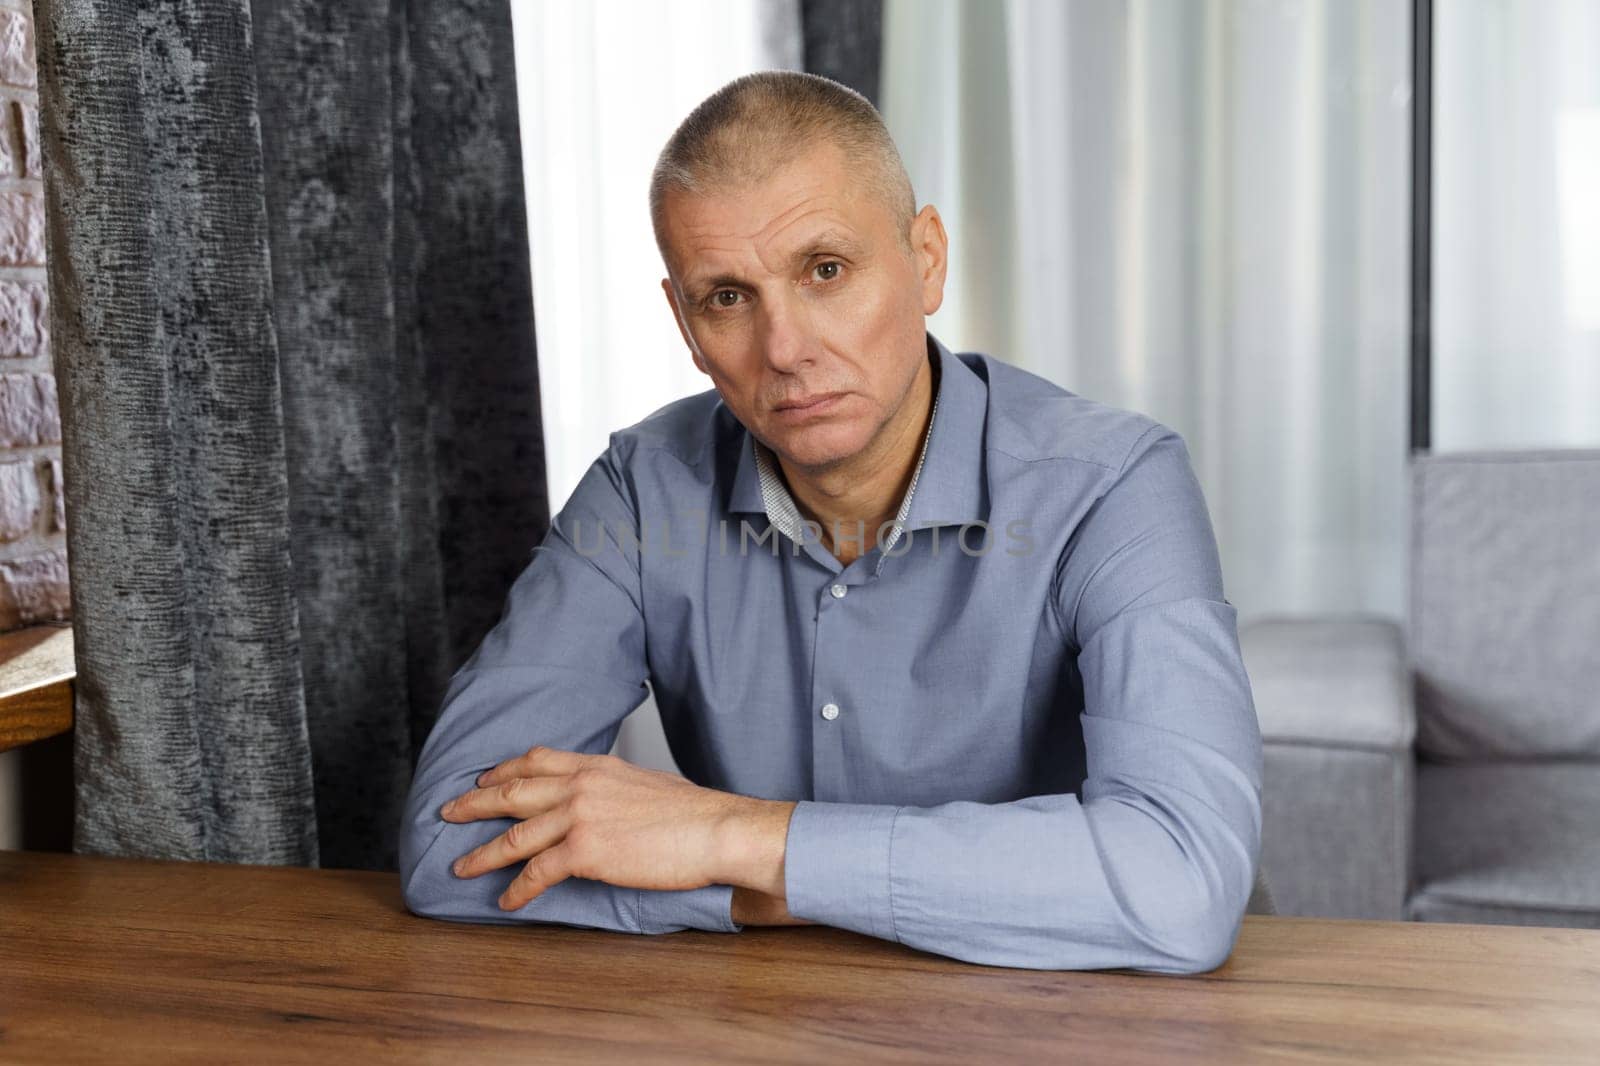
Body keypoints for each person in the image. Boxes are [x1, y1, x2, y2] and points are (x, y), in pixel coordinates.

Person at [398, 70, 1263, 974]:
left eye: (826, 271)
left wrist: (735, 838)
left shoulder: (1113, 485)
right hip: (776, 1017)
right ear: (685, 326)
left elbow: (1178, 882)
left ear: (925, 259)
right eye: (728, 297)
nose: (787, 349)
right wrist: (769, 892)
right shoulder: (641, 490)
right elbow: (449, 850)